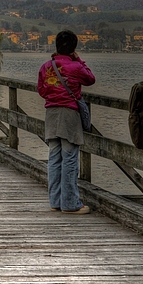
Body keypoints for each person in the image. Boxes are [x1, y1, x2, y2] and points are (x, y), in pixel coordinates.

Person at [38, 30, 96, 215]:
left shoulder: (46, 66)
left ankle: (55, 200)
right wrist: (78, 60)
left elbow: (41, 90)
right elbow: (90, 79)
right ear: (73, 47)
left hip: (51, 113)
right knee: (70, 159)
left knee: (54, 158)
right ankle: (70, 203)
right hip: (69, 114)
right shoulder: (75, 67)